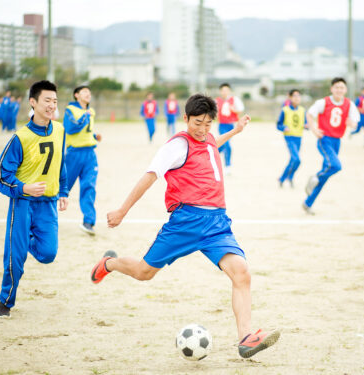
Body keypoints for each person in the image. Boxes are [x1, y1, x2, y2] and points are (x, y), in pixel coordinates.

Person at [91, 93, 280, 358]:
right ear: (186, 118)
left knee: (242, 272)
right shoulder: (177, 146)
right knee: (145, 272)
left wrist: (235, 131)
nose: (202, 130)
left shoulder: (209, 138)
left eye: (207, 124)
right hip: (186, 222)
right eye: (197, 123)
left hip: (216, 223)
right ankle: (108, 264)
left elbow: (214, 142)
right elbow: (150, 177)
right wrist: (123, 210)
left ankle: (246, 337)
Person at [0, 80, 68, 317]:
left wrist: (63, 191)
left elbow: (60, 165)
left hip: (47, 204)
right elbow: (1, 176)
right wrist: (24, 187)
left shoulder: (60, 131)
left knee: (48, 254)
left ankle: (26, 241)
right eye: (47, 100)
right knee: (16, 258)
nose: (51, 105)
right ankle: (5, 302)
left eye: (55, 101)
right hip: (23, 203)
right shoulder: (20, 137)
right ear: (33, 102)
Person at [303, 77, 360, 215]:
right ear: (332, 89)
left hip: (337, 141)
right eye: (336, 87)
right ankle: (315, 177)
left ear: (345, 90)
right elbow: (310, 114)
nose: (339, 90)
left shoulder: (349, 104)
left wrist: (352, 124)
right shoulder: (324, 102)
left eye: (342, 87)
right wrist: (314, 129)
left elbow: (355, 121)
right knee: (335, 166)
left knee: (326, 175)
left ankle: (308, 203)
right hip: (325, 140)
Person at [63, 85, 102, 235]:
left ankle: (88, 222)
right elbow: (71, 129)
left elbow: (85, 132)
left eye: (89, 92)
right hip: (74, 154)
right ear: (76, 95)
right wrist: (86, 115)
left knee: (89, 187)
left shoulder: (89, 112)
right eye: (85, 91)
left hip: (90, 154)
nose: (88, 94)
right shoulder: (70, 110)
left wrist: (94, 137)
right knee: (62, 188)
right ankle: (40, 217)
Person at [277, 89, 307, 187]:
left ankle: (283, 178)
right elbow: (278, 124)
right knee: (296, 159)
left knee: (293, 160)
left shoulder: (302, 110)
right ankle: (288, 177)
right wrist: (283, 128)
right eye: (294, 96)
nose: (297, 98)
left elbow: (306, 123)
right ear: (290, 97)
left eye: (298, 96)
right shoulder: (285, 110)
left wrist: (307, 126)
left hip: (299, 137)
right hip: (289, 137)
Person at [215, 83, 244, 173]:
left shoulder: (234, 99)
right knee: (227, 144)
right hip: (222, 125)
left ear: (229, 91)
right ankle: (228, 165)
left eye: (226, 90)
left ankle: (211, 154)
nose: (224, 92)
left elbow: (240, 109)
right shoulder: (217, 101)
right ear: (220, 91)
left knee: (223, 145)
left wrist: (233, 109)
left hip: (231, 125)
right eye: (223, 90)